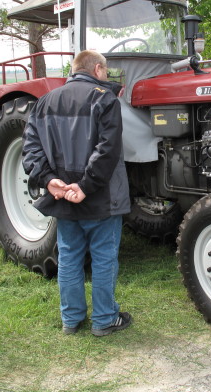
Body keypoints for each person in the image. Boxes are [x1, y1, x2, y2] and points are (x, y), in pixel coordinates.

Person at [22, 50, 132, 337]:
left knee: (69, 255)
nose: (107, 75)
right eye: (106, 70)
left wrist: (49, 181)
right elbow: (107, 150)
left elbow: (31, 149)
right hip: (100, 196)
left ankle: (71, 320)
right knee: (104, 256)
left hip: (62, 196)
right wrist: (85, 186)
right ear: (97, 69)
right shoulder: (103, 99)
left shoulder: (45, 101)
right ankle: (105, 319)